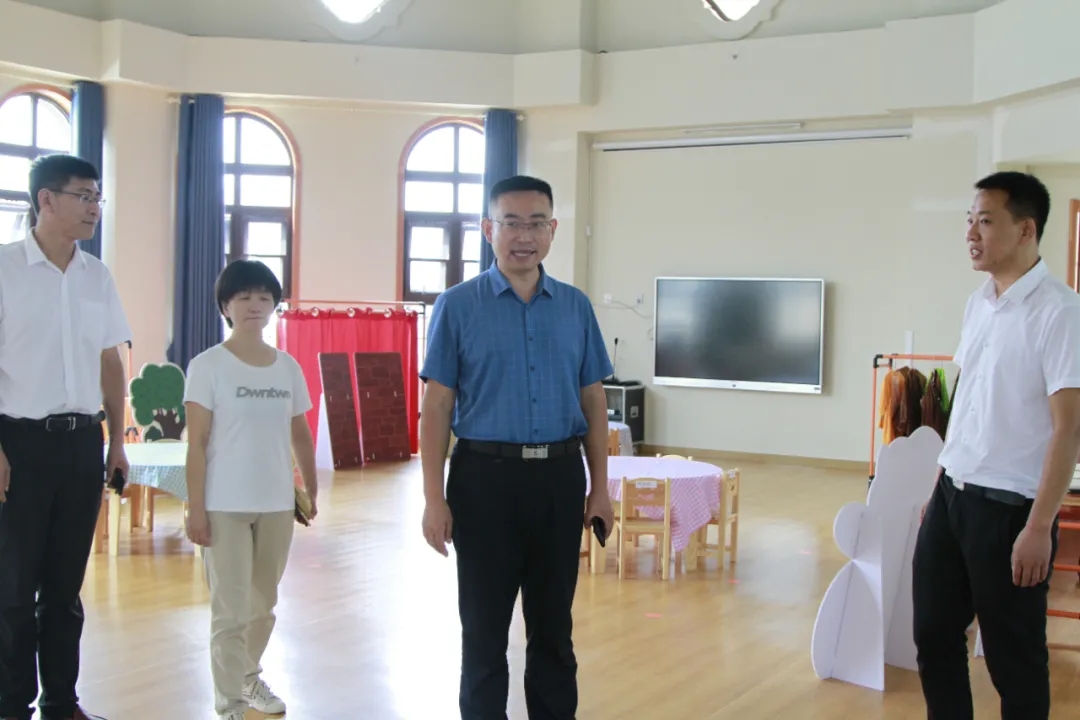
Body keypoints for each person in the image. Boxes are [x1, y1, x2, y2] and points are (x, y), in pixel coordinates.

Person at [419, 175, 615, 719]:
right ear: (489, 229)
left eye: (535, 223)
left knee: (553, 630)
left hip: (558, 479)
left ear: (552, 230)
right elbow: (437, 407)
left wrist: (600, 488)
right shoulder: (457, 306)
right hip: (484, 480)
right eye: (511, 223)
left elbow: (593, 400)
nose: (523, 236)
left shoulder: (575, 307)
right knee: (483, 632)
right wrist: (434, 499)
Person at [912, 171, 1080, 720]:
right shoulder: (979, 303)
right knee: (934, 636)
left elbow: (1069, 429)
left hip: (1011, 512)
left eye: (985, 221)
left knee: (1015, 662)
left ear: (1026, 229)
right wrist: (939, 487)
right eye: (970, 220)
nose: (971, 234)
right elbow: (968, 406)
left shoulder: (1061, 312)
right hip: (952, 497)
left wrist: (1039, 527)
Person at [0, 154, 130, 720]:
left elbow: (110, 361)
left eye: (98, 196)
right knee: (11, 589)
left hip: (82, 444)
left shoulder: (96, 275)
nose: (95, 207)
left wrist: (117, 442)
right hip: (18, 445)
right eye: (84, 196)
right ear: (46, 200)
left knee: (64, 588)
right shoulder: (4, 268)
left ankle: (60, 704)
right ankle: (10, 706)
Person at [183, 259, 318, 720]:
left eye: (264, 297)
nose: (255, 305)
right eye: (244, 297)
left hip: (276, 504)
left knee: (263, 607)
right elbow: (197, 443)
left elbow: (300, 433)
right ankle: (230, 704)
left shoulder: (287, 367)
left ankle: (247, 676)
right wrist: (195, 508)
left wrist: (310, 487)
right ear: (226, 306)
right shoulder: (207, 366)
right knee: (230, 610)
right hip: (224, 505)